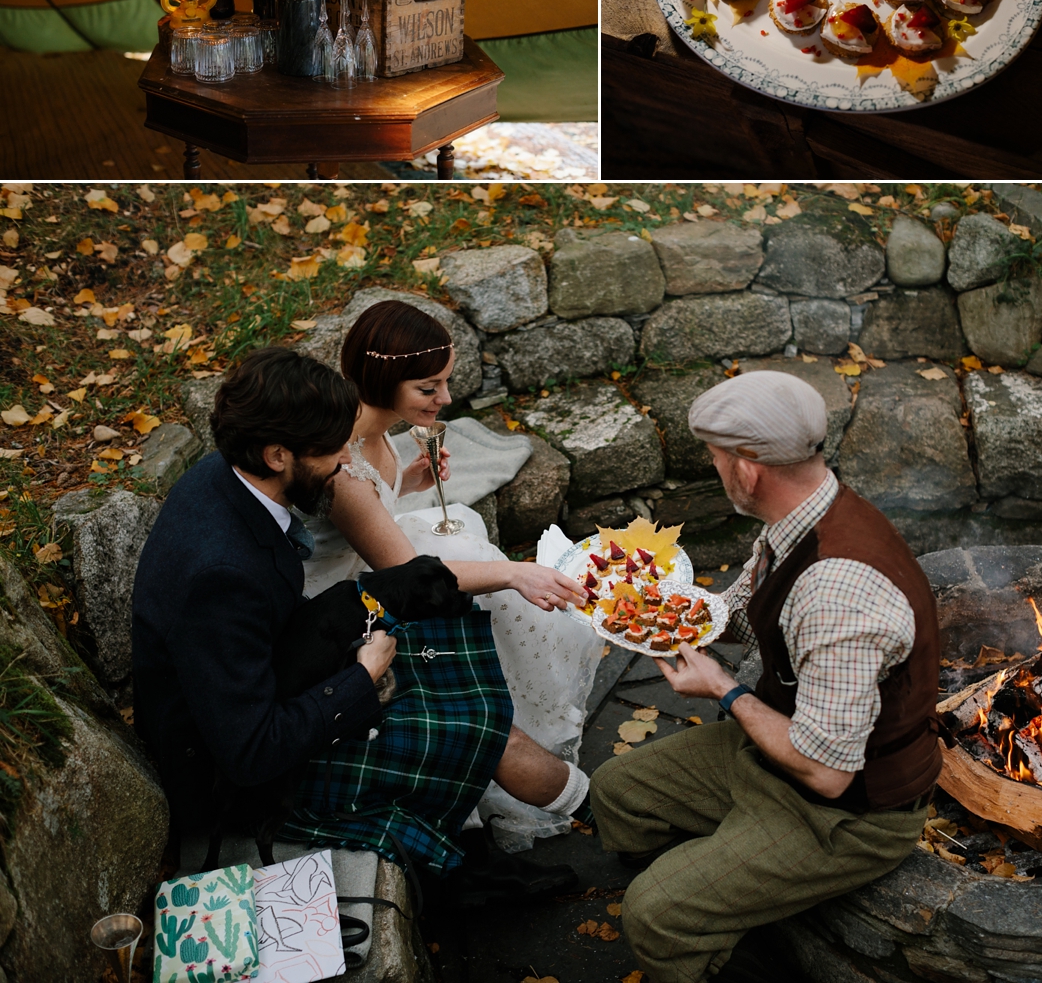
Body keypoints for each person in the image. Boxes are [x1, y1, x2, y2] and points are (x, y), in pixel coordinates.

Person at [132, 347, 584, 900]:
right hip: (231, 778)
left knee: (456, 682)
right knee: (476, 731)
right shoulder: (220, 574)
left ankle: (583, 811)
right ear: (278, 454)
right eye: (334, 449)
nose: (349, 461)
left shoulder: (224, 476)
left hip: (270, 675)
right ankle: (579, 822)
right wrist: (361, 679)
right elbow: (251, 752)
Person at [589, 370, 942, 983]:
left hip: (851, 813)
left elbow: (829, 774)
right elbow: (748, 613)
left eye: (716, 459)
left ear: (748, 470)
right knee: (618, 789)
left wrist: (724, 691)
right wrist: (655, 610)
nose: (715, 469)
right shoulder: (804, 514)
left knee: (652, 913)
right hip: (777, 752)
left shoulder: (838, 592)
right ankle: (724, 886)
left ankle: (709, 937)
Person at [297, 299, 600, 851]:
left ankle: (523, 737)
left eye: (445, 383)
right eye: (429, 388)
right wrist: (513, 573)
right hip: (345, 604)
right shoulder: (341, 468)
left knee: (466, 537)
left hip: (381, 565)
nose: (446, 399)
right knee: (501, 594)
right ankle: (513, 750)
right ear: (386, 380)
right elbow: (404, 572)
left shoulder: (378, 427)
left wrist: (410, 481)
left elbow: (380, 508)